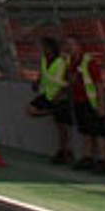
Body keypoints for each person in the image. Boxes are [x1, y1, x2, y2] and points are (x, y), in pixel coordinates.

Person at [62, 34, 105, 174]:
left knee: (98, 130)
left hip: (91, 101)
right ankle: (88, 157)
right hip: (78, 100)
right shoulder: (70, 62)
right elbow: (70, 81)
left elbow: (98, 84)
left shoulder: (88, 62)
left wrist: (101, 104)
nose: (69, 48)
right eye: (67, 45)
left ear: (79, 46)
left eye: (72, 44)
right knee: (85, 130)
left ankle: (102, 160)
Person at [26, 36, 72, 164]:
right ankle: (51, 111)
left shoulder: (61, 61)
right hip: (47, 94)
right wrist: (37, 82)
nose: (39, 49)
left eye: (42, 47)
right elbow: (43, 73)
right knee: (31, 110)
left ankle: (63, 151)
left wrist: (64, 92)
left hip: (59, 95)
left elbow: (67, 77)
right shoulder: (44, 60)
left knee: (61, 126)